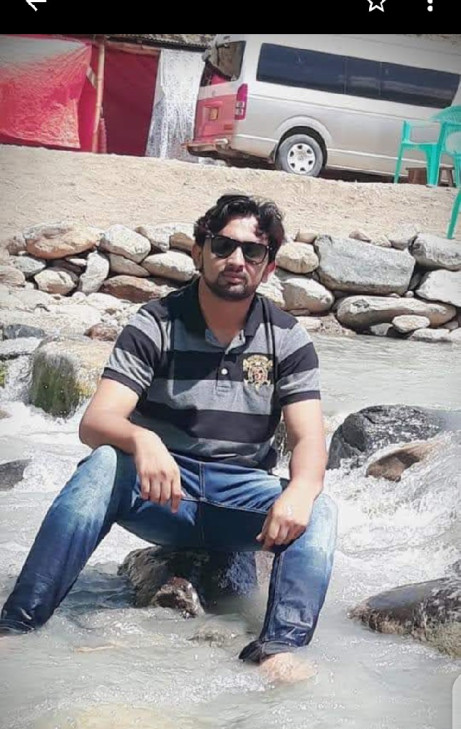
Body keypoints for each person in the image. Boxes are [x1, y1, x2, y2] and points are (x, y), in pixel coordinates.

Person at [0, 194, 337, 682]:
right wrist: (144, 441)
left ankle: (277, 649)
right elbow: (96, 421)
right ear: (199, 252)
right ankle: (18, 625)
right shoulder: (155, 322)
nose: (236, 260)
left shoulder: (287, 338)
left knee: (319, 508)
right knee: (101, 467)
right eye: (222, 246)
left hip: (238, 500)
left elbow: (308, 440)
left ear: (268, 267)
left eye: (252, 251)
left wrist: (302, 490)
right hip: (162, 494)